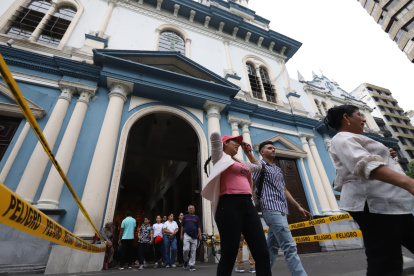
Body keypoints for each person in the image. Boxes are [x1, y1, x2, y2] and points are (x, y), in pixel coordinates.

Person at [325, 104, 414, 276]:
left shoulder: (354, 138)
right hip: (375, 205)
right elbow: (366, 165)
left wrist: (386, 154)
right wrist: (409, 183)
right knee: (386, 263)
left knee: (388, 260)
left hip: (392, 203)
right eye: (359, 115)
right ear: (346, 117)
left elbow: (368, 159)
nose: (364, 119)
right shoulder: (341, 138)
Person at [201, 132, 271, 276]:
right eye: (234, 141)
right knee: (229, 254)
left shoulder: (240, 162)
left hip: (248, 205)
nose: (238, 144)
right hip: (228, 205)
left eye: (239, 142)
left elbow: (257, 167)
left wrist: (248, 152)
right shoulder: (220, 158)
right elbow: (214, 140)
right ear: (225, 143)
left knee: (262, 253)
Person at [253, 141, 312, 275]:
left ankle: (262, 273)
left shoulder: (278, 169)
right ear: (262, 152)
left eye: (274, 148)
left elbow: (284, 190)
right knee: (289, 246)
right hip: (271, 209)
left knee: (271, 248)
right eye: (269, 148)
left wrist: (298, 207)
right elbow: (251, 185)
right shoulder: (259, 166)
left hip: (282, 210)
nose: (273, 150)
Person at [181, 205, 202, 271]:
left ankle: (192, 265)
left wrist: (200, 235)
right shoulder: (185, 217)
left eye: (192, 208)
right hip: (186, 235)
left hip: (194, 236)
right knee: (185, 249)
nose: (191, 210)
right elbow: (182, 226)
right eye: (190, 209)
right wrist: (181, 235)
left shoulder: (196, 218)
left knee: (193, 251)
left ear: (194, 210)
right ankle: (185, 260)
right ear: (188, 210)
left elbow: (199, 227)